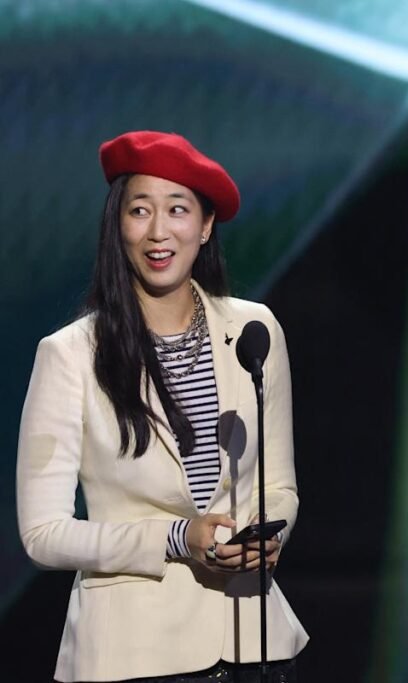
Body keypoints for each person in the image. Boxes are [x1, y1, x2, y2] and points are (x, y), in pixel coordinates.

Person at [16, 131, 308, 682]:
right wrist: (176, 538)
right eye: (139, 210)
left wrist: (266, 537)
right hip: (132, 655)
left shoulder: (254, 330)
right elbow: (43, 534)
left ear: (205, 226)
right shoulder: (70, 355)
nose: (158, 231)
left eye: (177, 209)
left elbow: (280, 487)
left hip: (254, 641)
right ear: (118, 226)